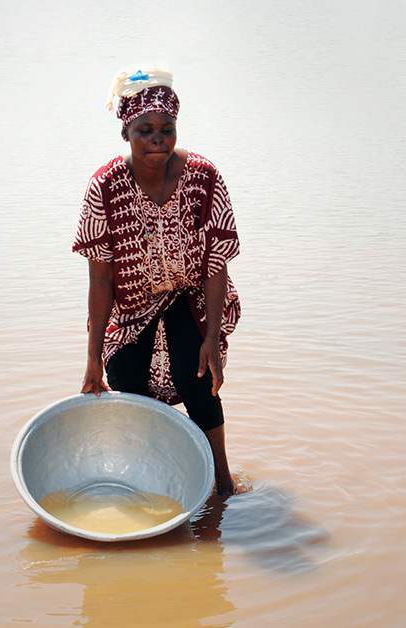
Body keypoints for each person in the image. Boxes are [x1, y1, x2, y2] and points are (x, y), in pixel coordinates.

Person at [72, 66, 242, 495]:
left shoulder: (203, 177)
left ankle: (221, 481)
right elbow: (100, 279)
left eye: (167, 129)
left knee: (198, 379)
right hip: (132, 303)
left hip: (192, 293)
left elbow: (218, 263)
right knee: (127, 380)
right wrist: (92, 357)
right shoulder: (104, 188)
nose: (158, 139)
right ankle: (156, 482)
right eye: (145, 130)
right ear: (126, 133)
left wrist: (212, 338)